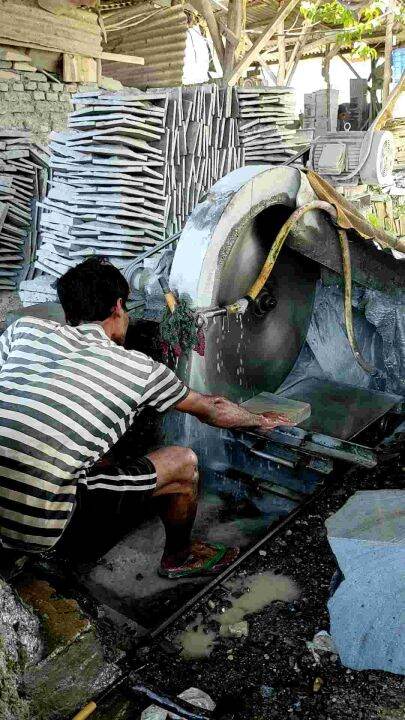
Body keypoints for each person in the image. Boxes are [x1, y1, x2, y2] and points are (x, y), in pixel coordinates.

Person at [0, 258, 292, 579]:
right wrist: (259, 420)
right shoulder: (140, 369)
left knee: (89, 451)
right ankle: (180, 557)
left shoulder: (23, 330)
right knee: (183, 464)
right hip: (37, 528)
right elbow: (212, 408)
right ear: (119, 308)